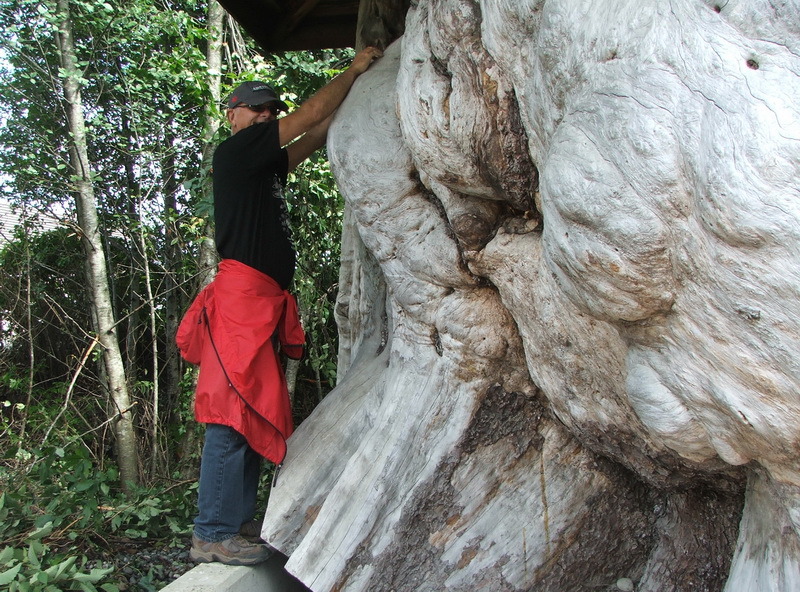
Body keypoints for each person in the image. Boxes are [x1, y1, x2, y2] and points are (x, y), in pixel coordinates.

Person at [176, 46, 383, 566]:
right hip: (239, 306)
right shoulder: (236, 151)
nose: (266, 115)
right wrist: (353, 69)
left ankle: (235, 521)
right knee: (230, 415)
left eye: (271, 110)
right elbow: (307, 117)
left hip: (259, 306)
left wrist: (354, 95)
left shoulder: (263, 166)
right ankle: (211, 532)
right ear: (233, 114)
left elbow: (312, 135)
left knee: (249, 412)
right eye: (257, 108)